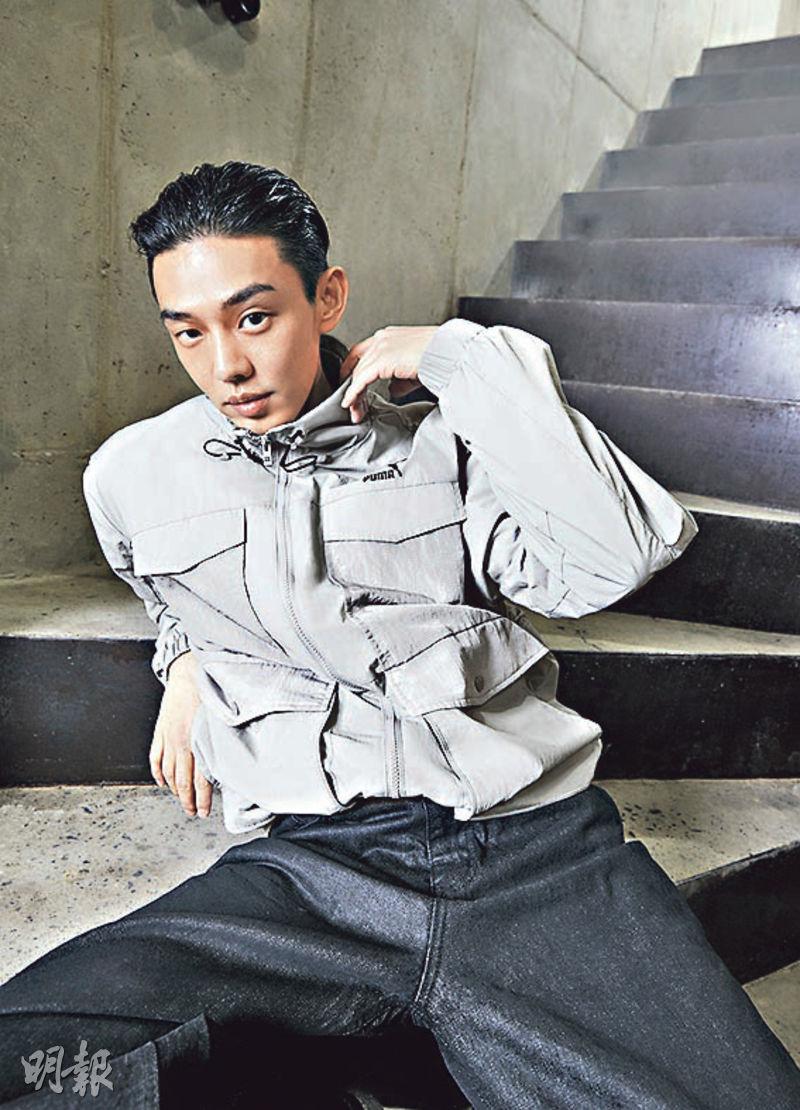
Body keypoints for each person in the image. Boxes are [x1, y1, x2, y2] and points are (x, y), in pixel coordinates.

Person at [1, 160, 798, 1109]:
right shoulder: (130, 474)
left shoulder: (445, 444)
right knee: (33, 1059)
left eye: (255, 318)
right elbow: (165, 591)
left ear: (327, 297)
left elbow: (613, 557)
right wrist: (186, 665)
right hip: (310, 870)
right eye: (189, 331)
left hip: (531, 851)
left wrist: (469, 360)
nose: (226, 367)